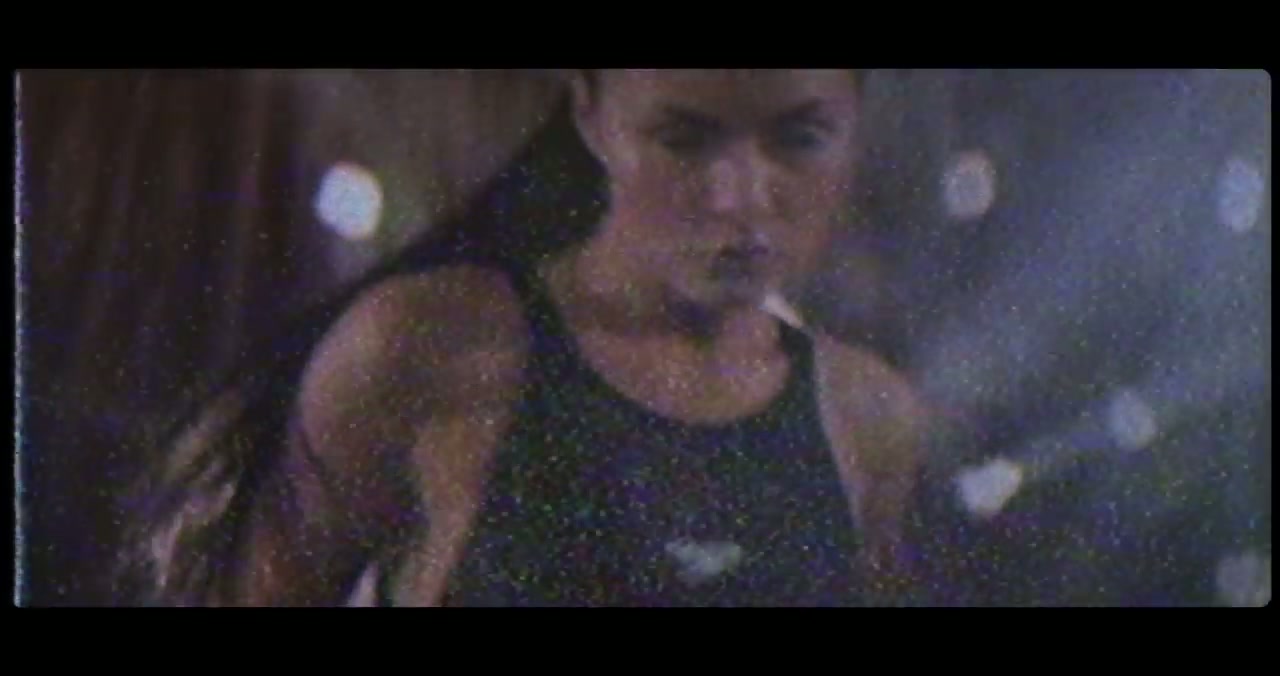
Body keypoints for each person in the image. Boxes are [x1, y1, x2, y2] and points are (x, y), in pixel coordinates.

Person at [118, 69, 941, 607]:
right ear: (592, 113)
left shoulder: (867, 416)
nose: (740, 196)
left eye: (798, 138)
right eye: (683, 138)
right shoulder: (431, 351)